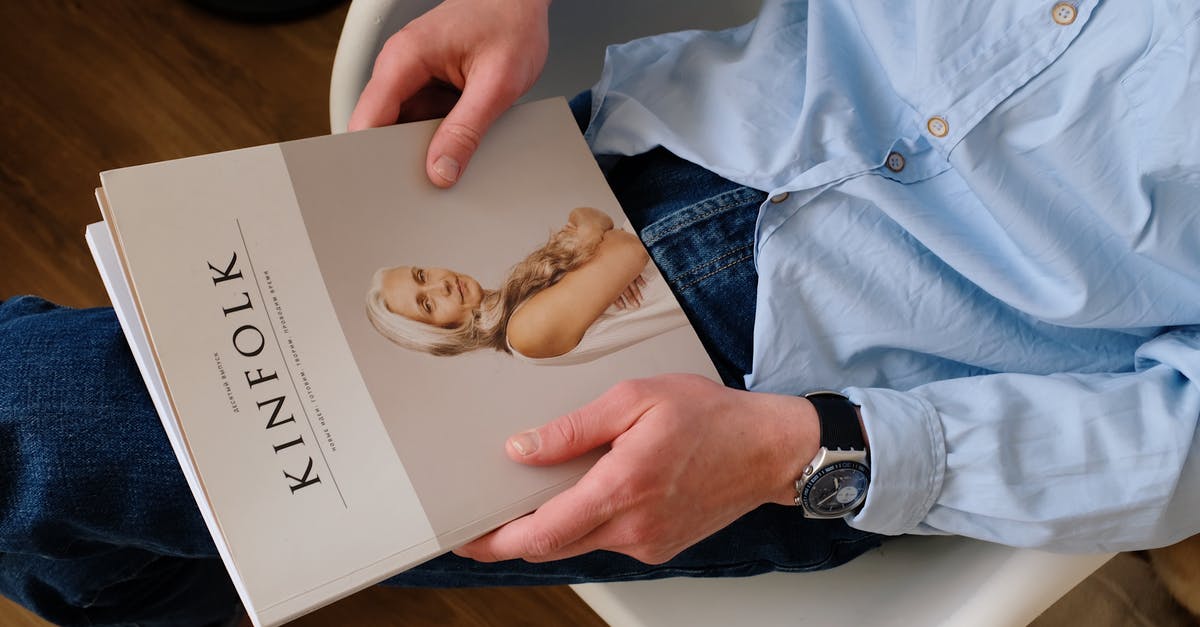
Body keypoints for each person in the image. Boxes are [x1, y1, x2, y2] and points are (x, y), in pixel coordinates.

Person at [1, 0, 1198, 625]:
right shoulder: (506, 307)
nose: (424, 297)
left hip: (773, 406)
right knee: (69, 482)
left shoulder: (531, 332)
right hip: (625, 132)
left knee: (27, 424)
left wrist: (810, 450)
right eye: (420, 303)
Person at [365, 206, 689, 364]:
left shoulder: (518, 299)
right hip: (695, 257)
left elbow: (588, 215)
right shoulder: (524, 332)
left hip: (678, 238)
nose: (441, 286)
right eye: (427, 304)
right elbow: (630, 250)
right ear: (443, 331)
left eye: (422, 275)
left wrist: (591, 234)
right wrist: (597, 240)